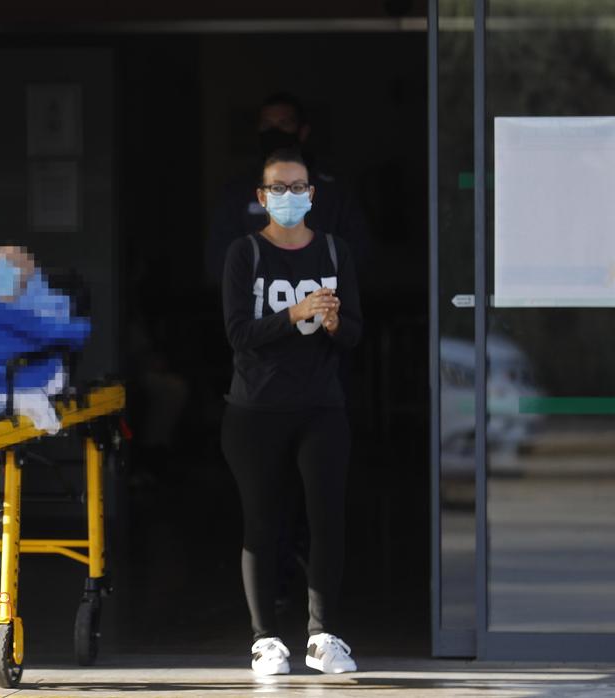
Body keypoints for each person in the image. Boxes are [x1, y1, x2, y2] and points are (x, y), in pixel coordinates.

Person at [221, 148, 361, 676]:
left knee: (326, 519)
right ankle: (266, 639)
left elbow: (354, 334)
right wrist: (295, 312)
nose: (288, 197)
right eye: (277, 188)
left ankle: (323, 635)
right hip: (255, 409)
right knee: (263, 523)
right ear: (261, 197)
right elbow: (238, 335)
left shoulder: (333, 251)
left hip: (321, 405)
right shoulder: (245, 254)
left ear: (312, 194)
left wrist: (331, 324)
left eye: (297, 187)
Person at [206, 92, 369, 288]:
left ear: (302, 131)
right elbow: (219, 260)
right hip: (257, 308)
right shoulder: (237, 190)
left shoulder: (334, 191)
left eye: (284, 124)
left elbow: (357, 255)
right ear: (261, 195)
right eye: (267, 125)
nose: (274, 131)